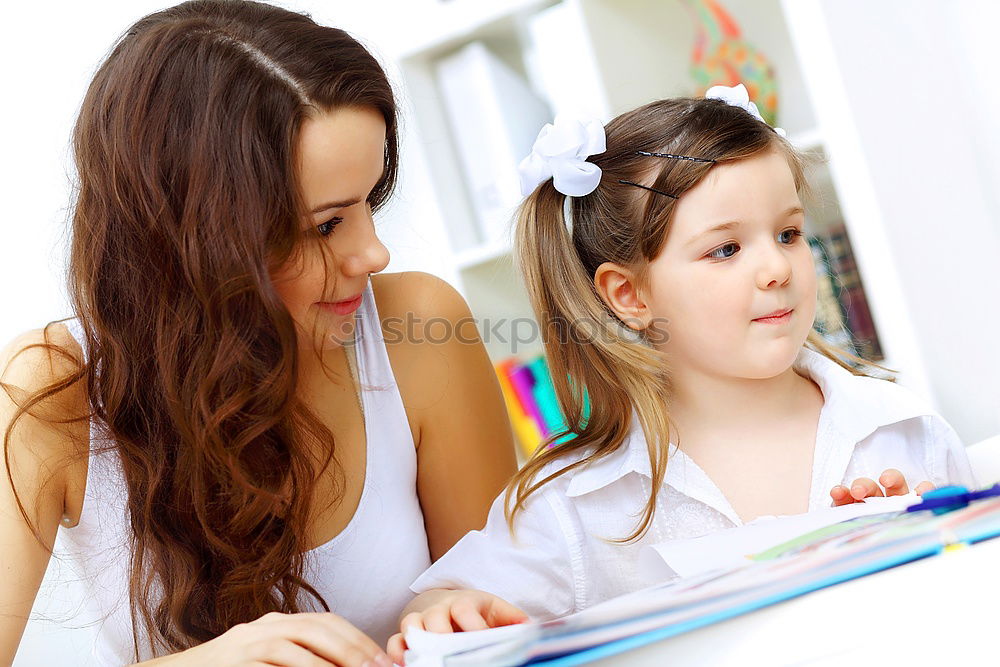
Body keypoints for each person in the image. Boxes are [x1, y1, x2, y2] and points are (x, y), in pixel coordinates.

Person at [0, 1, 516, 664]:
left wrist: (448, 610)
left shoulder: (420, 328)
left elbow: (500, 596)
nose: (374, 253)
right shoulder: (56, 389)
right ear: (199, 246)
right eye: (326, 226)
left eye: (371, 200)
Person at [388, 85, 976, 659]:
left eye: (789, 234)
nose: (776, 266)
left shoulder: (905, 431)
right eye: (725, 249)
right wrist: (444, 611)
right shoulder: (578, 503)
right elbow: (447, 607)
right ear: (629, 294)